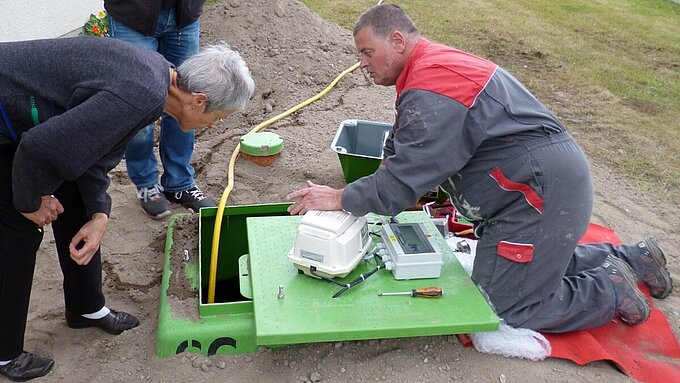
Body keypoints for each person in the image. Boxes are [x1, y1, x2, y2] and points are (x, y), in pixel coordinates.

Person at [286, 4, 673, 333]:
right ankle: (637, 258)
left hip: (537, 193)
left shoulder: (431, 88)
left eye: (367, 53)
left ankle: (609, 289)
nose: (362, 64)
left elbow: (401, 181)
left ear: (398, 42)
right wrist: (370, 189)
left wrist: (340, 197)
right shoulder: (427, 72)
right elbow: (404, 148)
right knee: (528, 266)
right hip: (537, 185)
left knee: (503, 306)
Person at [0, 36, 254, 381]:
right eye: (219, 117)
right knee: (17, 228)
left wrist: (99, 214)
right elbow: (36, 148)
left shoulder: (155, 82)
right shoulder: (139, 94)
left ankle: (85, 308)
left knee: (76, 199)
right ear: (198, 100)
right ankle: (5, 355)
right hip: (6, 109)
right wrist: (29, 203)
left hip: (29, 116)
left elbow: (91, 153)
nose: (217, 125)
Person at [104, 0, 215, 219]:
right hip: (132, 15)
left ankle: (179, 183)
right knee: (138, 105)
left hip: (184, 16)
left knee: (188, 100)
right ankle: (146, 183)